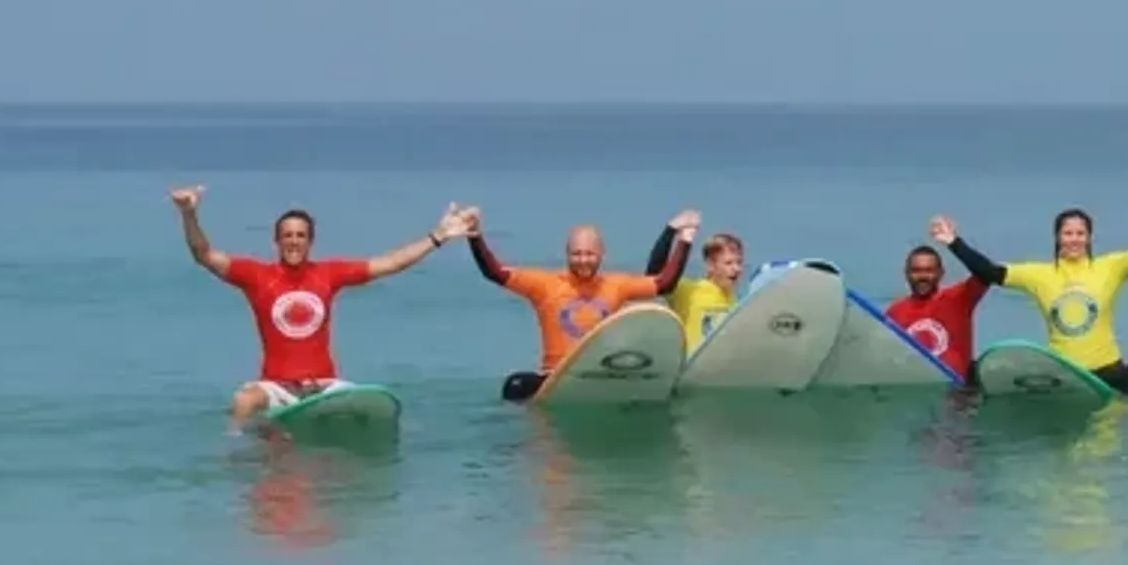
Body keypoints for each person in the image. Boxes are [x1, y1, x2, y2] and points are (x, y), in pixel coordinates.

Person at [170, 186, 469, 422]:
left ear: (310, 241)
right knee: (243, 401)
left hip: (325, 386)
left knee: (375, 406)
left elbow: (390, 263)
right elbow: (204, 255)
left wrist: (439, 236)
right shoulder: (257, 276)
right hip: (278, 387)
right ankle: (233, 451)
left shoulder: (328, 274)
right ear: (276, 241)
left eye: (301, 235)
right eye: (287, 235)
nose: (294, 241)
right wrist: (188, 214)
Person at [939, 208, 1128, 395]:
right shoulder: (1040, 275)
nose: (1074, 239)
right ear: (1057, 237)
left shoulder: (1110, 267)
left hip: (1108, 370)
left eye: (1080, 233)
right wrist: (954, 243)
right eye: (1068, 233)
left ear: (1089, 238)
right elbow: (990, 273)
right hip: (1067, 374)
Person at [471, 210, 698, 400]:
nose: (583, 260)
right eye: (576, 254)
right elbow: (495, 272)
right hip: (556, 376)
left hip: (601, 374)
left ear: (601, 254)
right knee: (516, 385)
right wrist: (475, 235)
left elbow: (664, 283)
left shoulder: (617, 285)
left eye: (589, 254)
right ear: (567, 254)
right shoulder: (544, 284)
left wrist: (685, 239)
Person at [887, 221, 1004, 382]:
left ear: (941, 273)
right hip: (916, 389)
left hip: (957, 393)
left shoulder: (958, 299)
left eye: (929, 270)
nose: (922, 277)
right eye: (916, 271)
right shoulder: (894, 312)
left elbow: (987, 273)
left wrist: (954, 243)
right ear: (906, 274)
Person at [665, 231, 747, 350]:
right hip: (691, 366)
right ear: (710, 266)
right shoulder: (687, 290)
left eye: (739, 262)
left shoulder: (736, 303)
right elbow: (655, 273)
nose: (737, 269)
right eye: (728, 263)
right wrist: (672, 232)